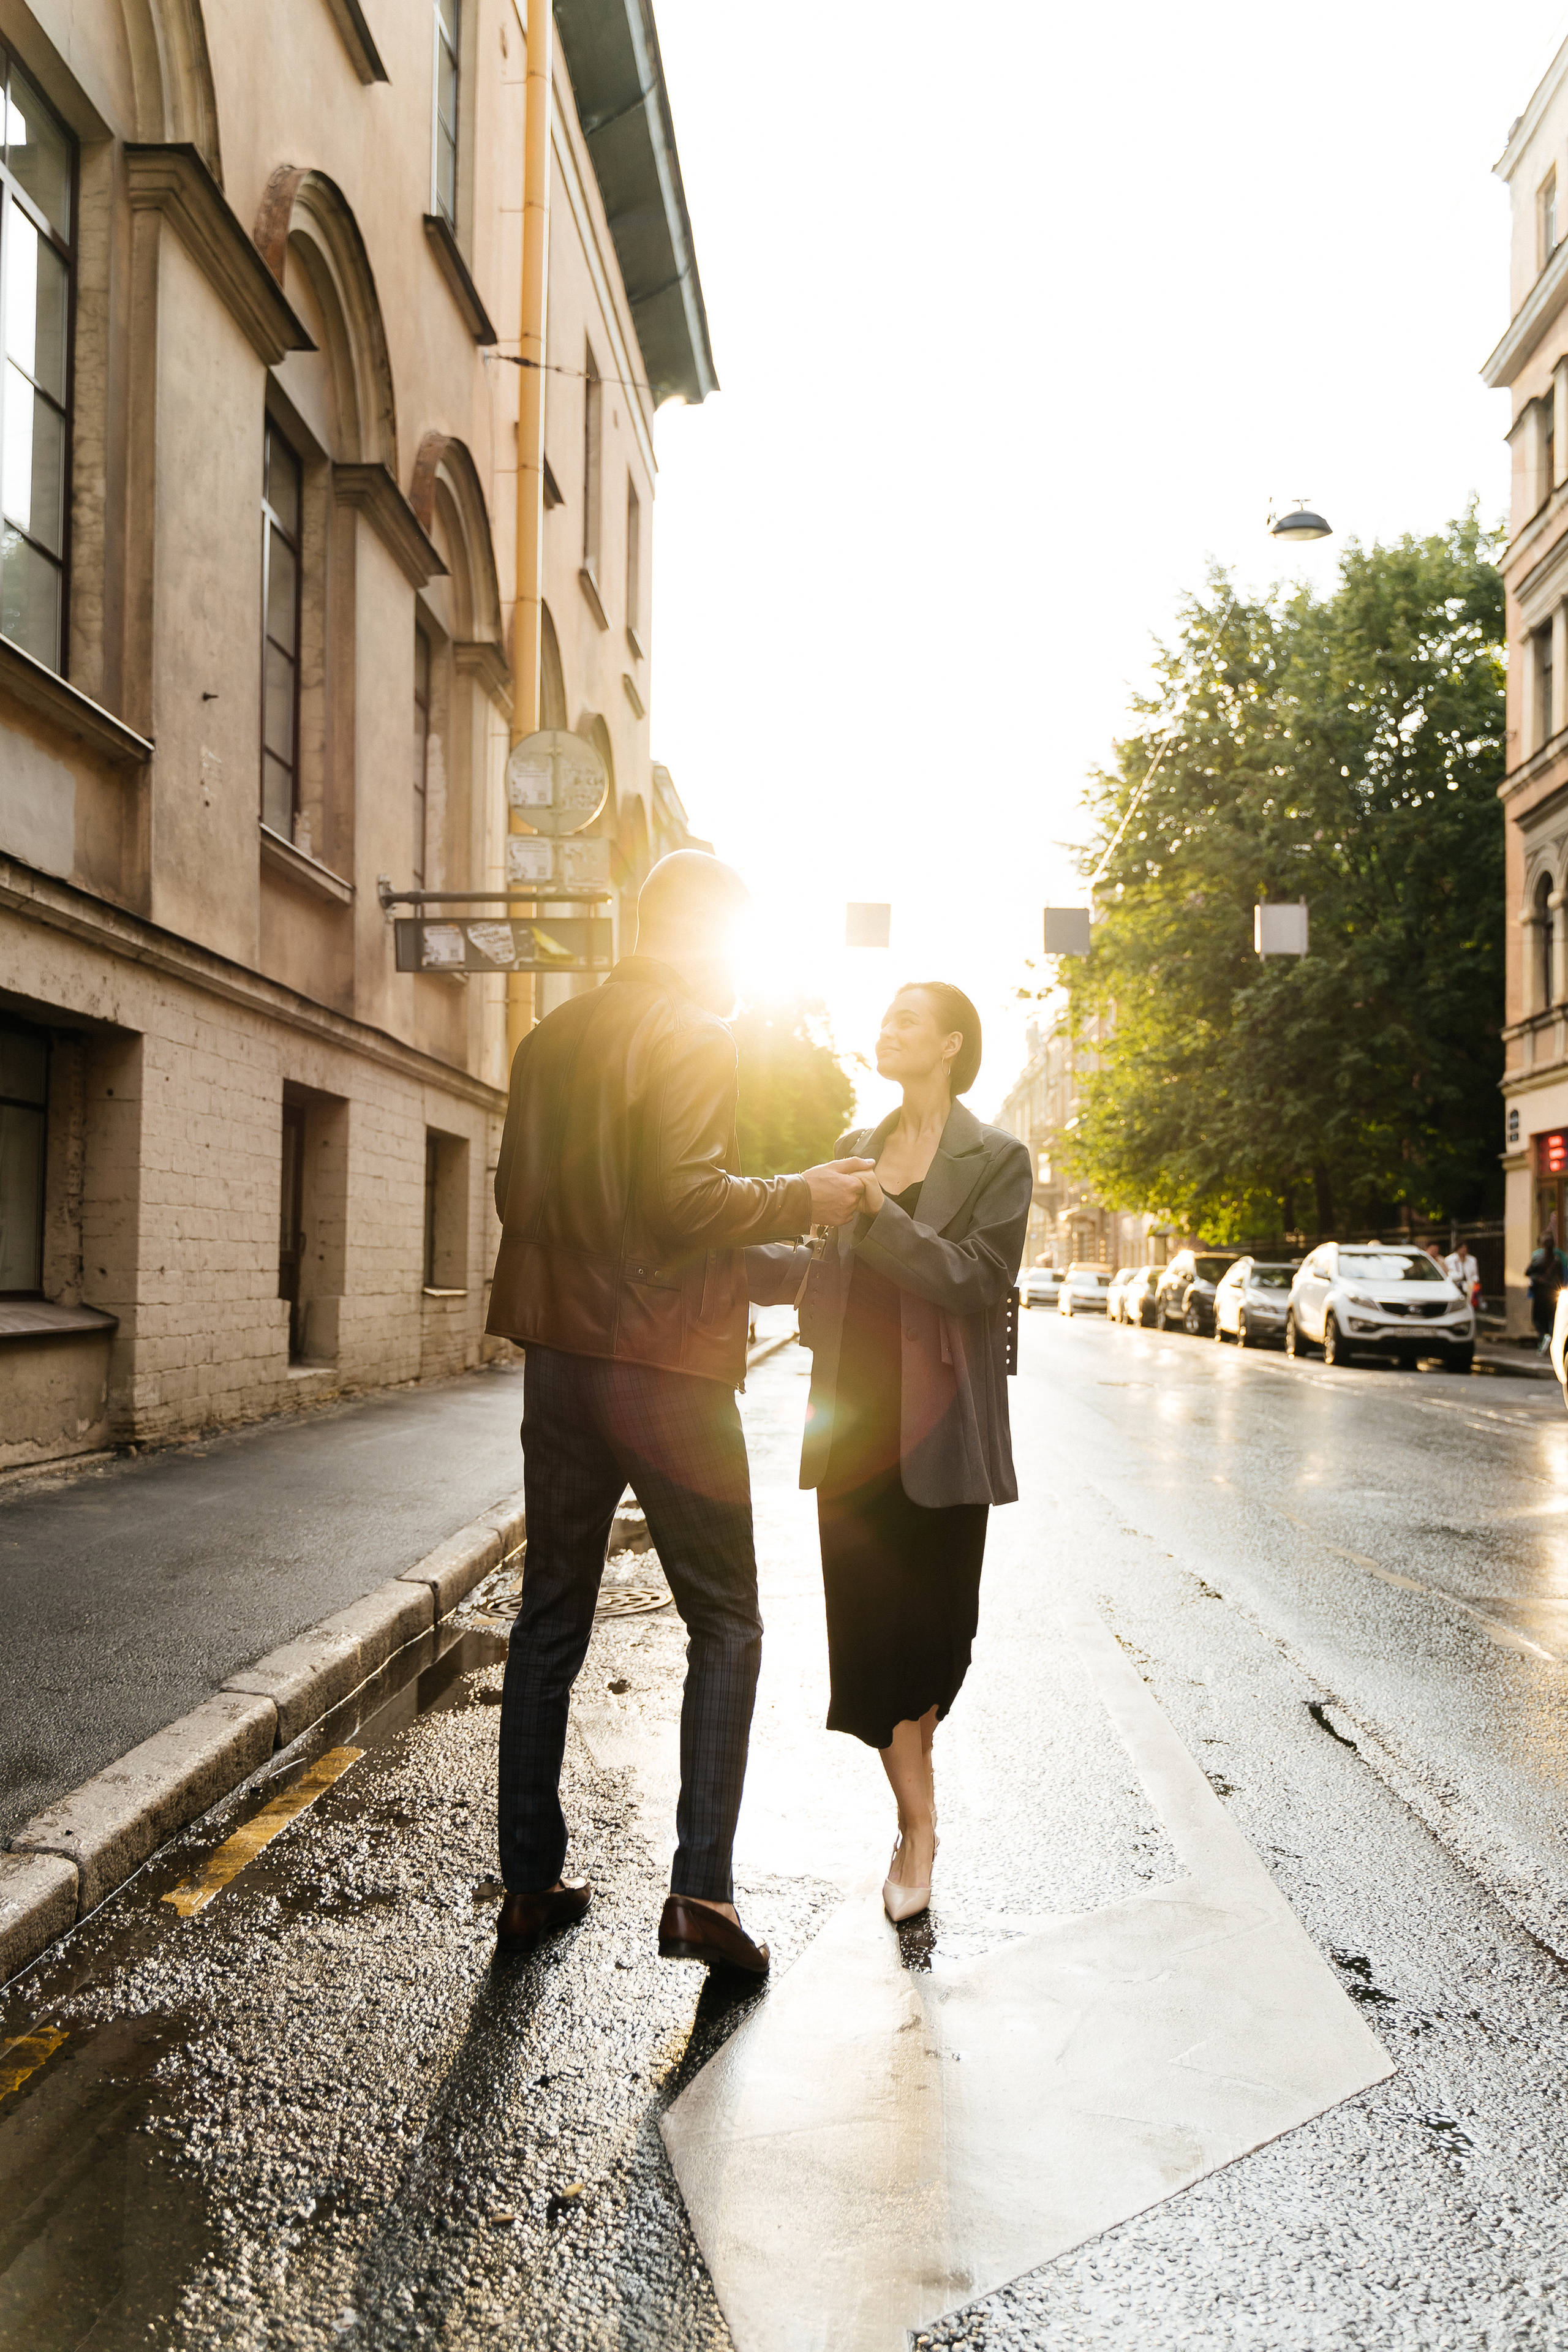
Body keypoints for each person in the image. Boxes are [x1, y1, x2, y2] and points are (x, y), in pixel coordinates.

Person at [485, 853, 872, 1972]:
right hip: (664, 1373)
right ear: (703, 938)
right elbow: (682, 1201)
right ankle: (702, 1894)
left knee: (549, 1621)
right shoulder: (694, 1035)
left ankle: (529, 1885)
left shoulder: (549, 1040)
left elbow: (532, 1201)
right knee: (727, 1621)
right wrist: (809, 1193)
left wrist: (778, 1261)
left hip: (561, 1362)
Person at [747, 983, 1032, 1924]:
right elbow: (819, 1274)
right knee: (874, 1641)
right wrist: (721, 1250)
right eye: (886, 1017)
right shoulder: (854, 1150)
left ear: (951, 1044)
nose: (889, 1027)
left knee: (938, 1640)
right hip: (854, 1422)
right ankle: (918, 1824)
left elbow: (977, 1279)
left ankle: (918, 1780)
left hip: (944, 1426)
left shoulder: (999, 1159)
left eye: (909, 1018)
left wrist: (880, 1215)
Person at [1526, 1229, 1568, 1355]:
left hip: (1540, 1294)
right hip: (1554, 1294)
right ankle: (1552, 1340)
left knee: (1538, 1319)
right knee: (1552, 1319)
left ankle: (1544, 1337)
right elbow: (1563, 1278)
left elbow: (1528, 1272)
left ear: (1542, 1243)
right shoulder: (1559, 1258)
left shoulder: (1537, 1257)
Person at [1446, 1239, 1481, 1312]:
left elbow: (1475, 1275)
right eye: (1461, 1247)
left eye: (1465, 1247)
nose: (1464, 1250)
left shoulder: (1472, 1260)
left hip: (1469, 1286)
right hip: (1456, 1285)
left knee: (1470, 1305)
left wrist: (1475, 1282)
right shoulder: (1449, 1260)